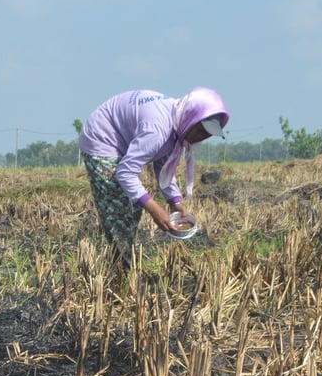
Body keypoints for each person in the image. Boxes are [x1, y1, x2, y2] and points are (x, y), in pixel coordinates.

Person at [78, 87, 229, 269]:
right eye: (199, 130)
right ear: (190, 117)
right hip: (102, 138)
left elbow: (162, 162)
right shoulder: (157, 129)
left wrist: (174, 200)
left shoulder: (176, 121)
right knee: (119, 208)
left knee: (132, 207)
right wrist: (155, 210)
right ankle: (122, 273)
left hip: (123, 140)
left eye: (207, 134)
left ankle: (123, 266)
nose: (200, 137)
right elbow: (125, 172)